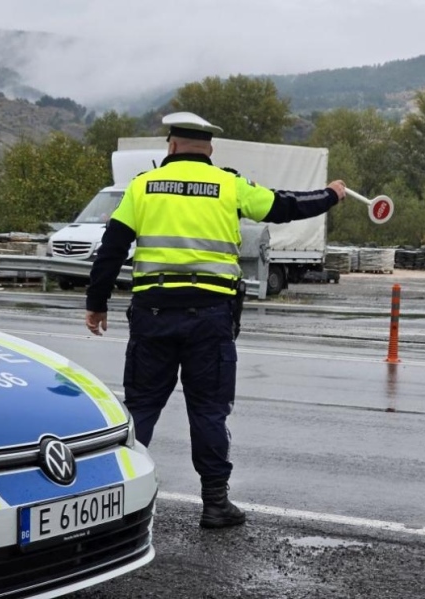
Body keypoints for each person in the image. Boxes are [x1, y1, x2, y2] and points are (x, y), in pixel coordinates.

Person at [85, 111, 346, 528]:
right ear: (210, 148)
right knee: (208, 411)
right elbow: (284, 207)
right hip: (210, 318)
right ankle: (215, 503)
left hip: (153, 315)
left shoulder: (143, 186)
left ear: (170, 146)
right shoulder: (228, 184)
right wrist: (330, 195)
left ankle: (115, 501)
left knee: (141, 407)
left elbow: (112, 247)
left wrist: (96, 303)